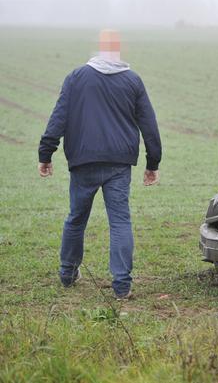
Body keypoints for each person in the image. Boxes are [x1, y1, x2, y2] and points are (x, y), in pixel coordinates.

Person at [38, 29, 162, 300]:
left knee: (76, 218)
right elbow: (149, 125)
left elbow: (58, 117)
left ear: (98, 49)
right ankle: (121, 286)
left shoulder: (77, 77)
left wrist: (46, 153)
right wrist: (153, 162)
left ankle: (67, 273)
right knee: (120, 221)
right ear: (119, 51)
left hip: (83, 160)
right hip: (119, 162)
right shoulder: (132, 80)